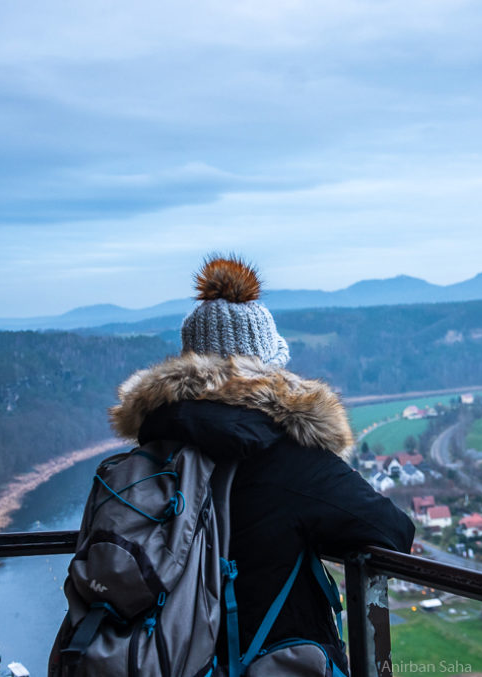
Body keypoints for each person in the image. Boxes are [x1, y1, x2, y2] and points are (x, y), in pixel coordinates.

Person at [108, 255, 416, 671]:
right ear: (269, 371)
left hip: (164, 659)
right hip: (268, 660)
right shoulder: (290, 460)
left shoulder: (155, 450)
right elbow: (392, 530)